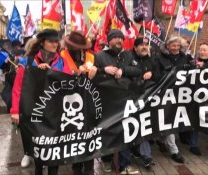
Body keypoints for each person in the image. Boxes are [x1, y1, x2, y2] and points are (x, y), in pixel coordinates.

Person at [10, 29, 71, 175]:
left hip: (56, 113)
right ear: (42, 42)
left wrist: (52, 73)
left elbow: (69, 83)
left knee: (55, 152)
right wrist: (15, 111)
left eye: (56, 41)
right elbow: (18, 88)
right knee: (39, 149)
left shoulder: (62, 61)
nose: (55, 44)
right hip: (34, 112)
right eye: (51, 41)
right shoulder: (28, 61)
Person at [94, 29, 141, 174]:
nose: (119, 40)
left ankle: (124, 164)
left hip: (125, 98)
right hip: (107, 99)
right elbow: (93, 76)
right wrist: (103, 70)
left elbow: (137, 70)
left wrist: (124, 70)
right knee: (108, 130)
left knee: (125, 131)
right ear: (109, 41)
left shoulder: (127, 54)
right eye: (115, 38)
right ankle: (107, 160)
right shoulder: (99, 56)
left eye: (121, 38)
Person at [61, 31, 96, 175]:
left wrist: (96, 70)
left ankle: (89, 167)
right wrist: (75, 73)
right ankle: (76, 166)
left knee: (89, 135)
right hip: (69, 102)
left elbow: (96, 74)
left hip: (88, 102)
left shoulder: (90, 57)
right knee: (74, 136)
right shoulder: (62, 56)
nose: (78, 49)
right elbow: (58, 75)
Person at [153, 35, 191, 163]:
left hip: (181, 95)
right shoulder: (159, 58)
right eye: (173, 45)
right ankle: (174, 151)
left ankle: (161, 140)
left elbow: (192, 72)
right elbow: (156, 76)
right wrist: (167, 73)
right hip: (165, 94)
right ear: (167, 46)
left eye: (177, 46)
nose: (175, 48)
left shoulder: (185, 57)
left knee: (172, 120)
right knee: (169, 120)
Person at [129, 37, 156, 168]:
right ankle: (136, 151)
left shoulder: (151, 59)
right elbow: (124, 71)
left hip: (146, 99)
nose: (145, 47)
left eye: (146, 44)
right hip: (131, 99)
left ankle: (146, 156)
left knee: (143, 126)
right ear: (135, 47)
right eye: (141, 45)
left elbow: (159, 74)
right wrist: (140, 74)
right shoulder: (128, 57)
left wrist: (152, 72)